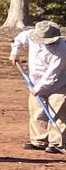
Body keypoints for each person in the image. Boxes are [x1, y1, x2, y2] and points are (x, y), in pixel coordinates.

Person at [10, 19, 66, 153]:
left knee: (58, 112)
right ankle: (39, 140)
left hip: (59, 83)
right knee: (37, 112)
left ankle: (57, 142)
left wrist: (39, 88)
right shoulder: (30, 36)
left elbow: (53, 73)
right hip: (35, 81)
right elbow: (18, 40)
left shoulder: (62, 49)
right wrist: (15, 53)